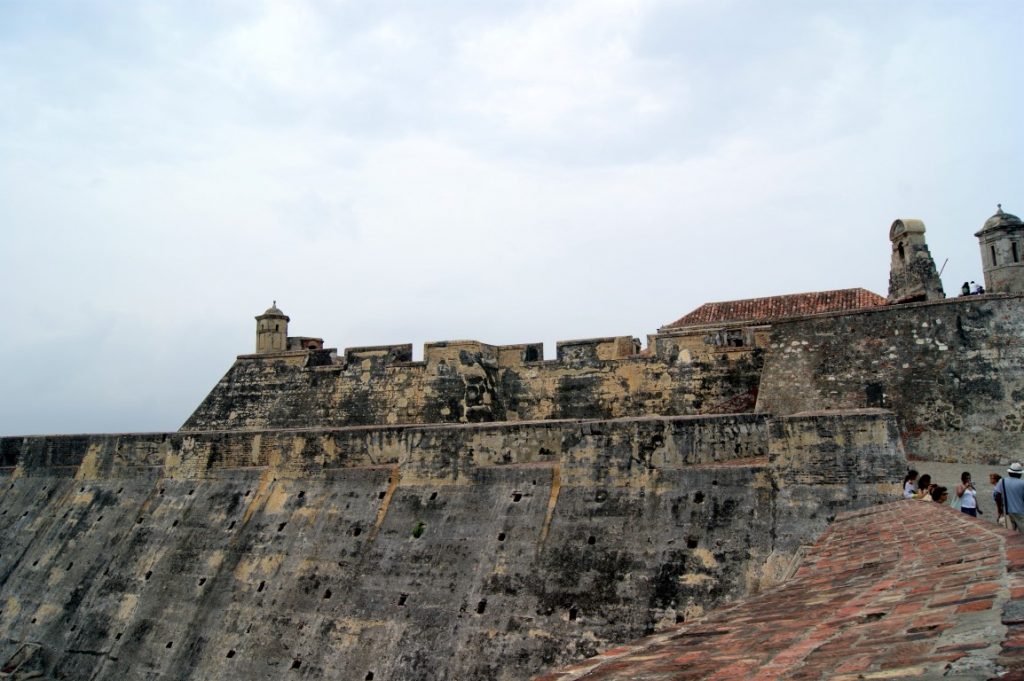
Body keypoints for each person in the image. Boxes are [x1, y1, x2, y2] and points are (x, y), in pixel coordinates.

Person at [995, 463, 1024, 531]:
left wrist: (1000, 509)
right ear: (1020, 474)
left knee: (1010, 534)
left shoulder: (1002, 481)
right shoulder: (1022, 483)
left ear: (1009, 472)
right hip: (1021, 513)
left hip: (1008, 512)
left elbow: (997, 496)